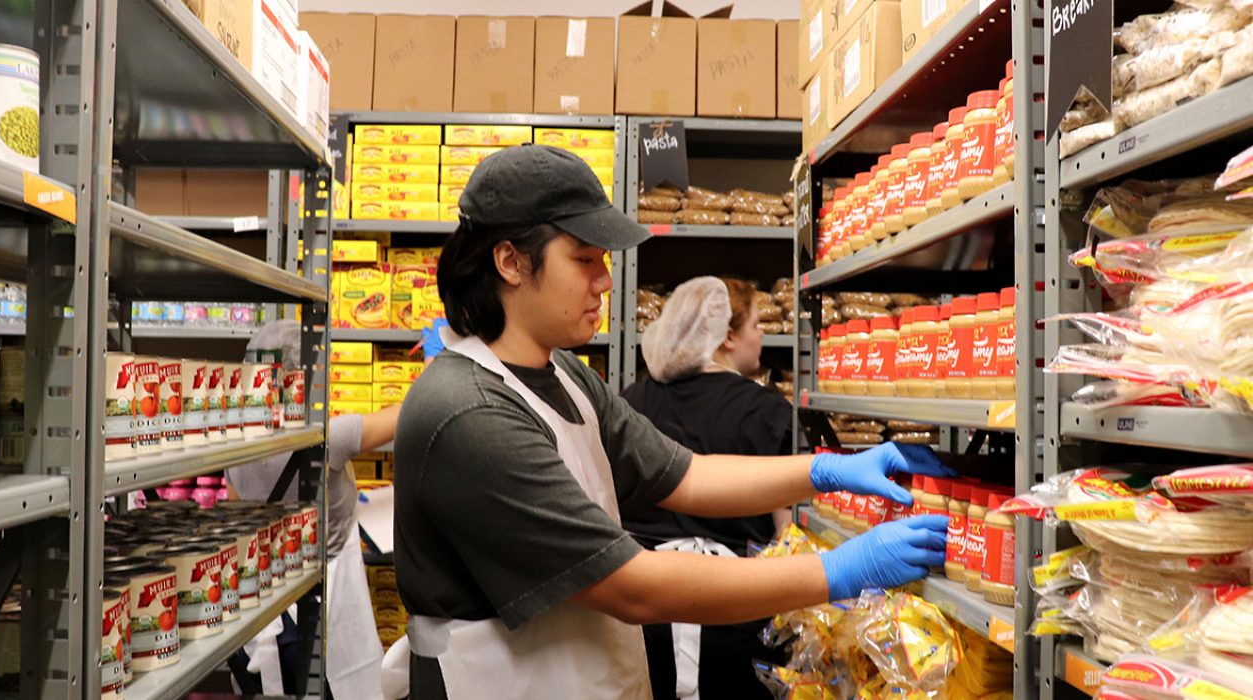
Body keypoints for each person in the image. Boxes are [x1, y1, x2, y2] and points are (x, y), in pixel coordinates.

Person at [390, 144, 953, 700]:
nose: (605, 282)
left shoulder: (563, 373)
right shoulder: (470, 412)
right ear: (510, 261)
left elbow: (687, 475)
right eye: (584, 259)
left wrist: (826, 471)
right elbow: (633, 587)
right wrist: (839, 570)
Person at [620, 275, 794, 699]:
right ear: (728, 337)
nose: (762, 335)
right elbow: (789, 533)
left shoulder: (633, 401)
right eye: (756, 325)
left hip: (644, 616)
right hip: (736, 617)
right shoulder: (767, 411)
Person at [226, 320, 400, 699]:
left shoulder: (234, 444)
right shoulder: (328, 437)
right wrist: (443, 352)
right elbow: (404, 416)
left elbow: (235, 513)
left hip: (265, 609)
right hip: (326, 602)